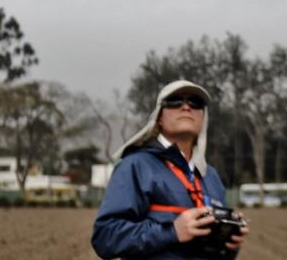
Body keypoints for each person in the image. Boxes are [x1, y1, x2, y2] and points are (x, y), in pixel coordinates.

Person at [92, 80, 250, 259]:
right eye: (175, 101)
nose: (185, 107)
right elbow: (105, 237)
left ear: (202, 118)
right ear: (159, 117)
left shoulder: (210, 175)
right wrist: (172, 231)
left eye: (195, 103)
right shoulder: (135, 166)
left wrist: (229, 244)